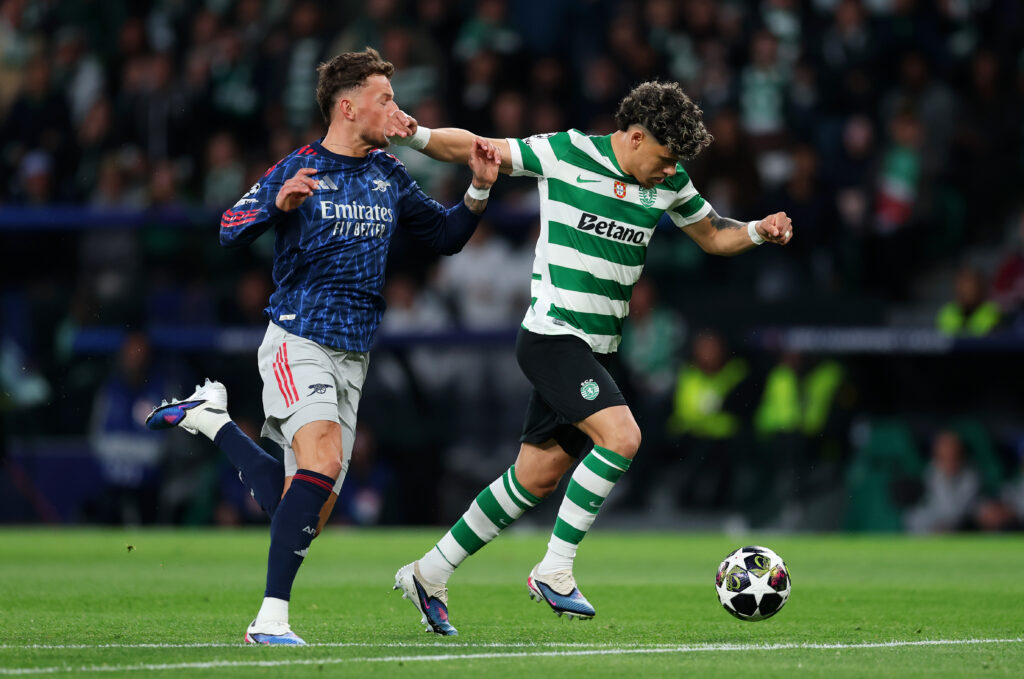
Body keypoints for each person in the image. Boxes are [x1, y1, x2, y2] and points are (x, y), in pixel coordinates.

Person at [386, 80, 793, 635]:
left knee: (535, 478)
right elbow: (478, 147)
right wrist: (418, 134)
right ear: (633, 136)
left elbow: (714, 236)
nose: (670, 169)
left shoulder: (669, 181)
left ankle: (428, 573)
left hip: (596, 352)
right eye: (665, 156)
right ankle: (554, 569)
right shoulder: (567, 152)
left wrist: (758, 231)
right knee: (623, 437)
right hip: (552, 338)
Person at [145, 48, 500, 645]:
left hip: (353, 354)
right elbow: (230, 227)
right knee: (326, 464)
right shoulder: (300, 166)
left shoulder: (388, 174)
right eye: (384, 97)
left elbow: (443, 236)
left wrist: (479, 192)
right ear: (347, 105)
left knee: (304, 506)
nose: (395, 107)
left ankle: (214, 423)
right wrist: (276, 205)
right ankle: (270, 619)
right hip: (297, 336)